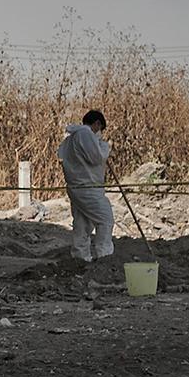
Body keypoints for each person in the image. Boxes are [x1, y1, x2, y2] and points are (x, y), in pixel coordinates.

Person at [58, 109, 113, 264]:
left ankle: (80, 258)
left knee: (83, 223)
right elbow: (96, 158)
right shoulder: (85, 133)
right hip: (87, 187)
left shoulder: (72, 137)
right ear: (97, 124)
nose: (99, 133)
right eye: (100, 129)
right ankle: (105, 257)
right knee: (105, 219)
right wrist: (104, 147)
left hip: (78, 186)